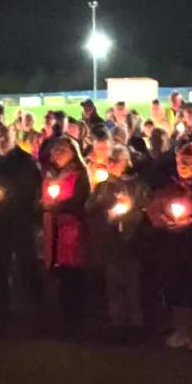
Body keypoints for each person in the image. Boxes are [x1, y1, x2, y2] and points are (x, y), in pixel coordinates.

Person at [148, 143, 192, 353]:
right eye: (179, 162)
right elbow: (155, 206)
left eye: (187, 162)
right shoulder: (169, 185)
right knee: (177, 287)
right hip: (175, 245)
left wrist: (190, 222)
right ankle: (181, 330)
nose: (183, 166)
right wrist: (163, 220)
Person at [85, 144, 148, 339]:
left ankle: (135, 324)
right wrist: (103, 208)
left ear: (126, 161)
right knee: (113, 283)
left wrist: (128, 214)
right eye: (109, 160)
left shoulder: (138, 185)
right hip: (110, 241)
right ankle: (117, 323)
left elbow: (146, 210)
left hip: (131, 240)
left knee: (132, 283)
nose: (111, 164)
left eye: (116, 160)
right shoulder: (103, 186)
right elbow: (88, 207)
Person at [0, 125, 42, 319]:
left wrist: (7, 198)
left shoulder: (26, 161)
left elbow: (32, 189)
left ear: (14, 138)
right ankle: (2, 306)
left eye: (6, 137)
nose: (2, 140)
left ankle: (32, 306)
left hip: (20, 220)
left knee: (25, 262)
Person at [41, 138, 90, 334]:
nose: (58, 153)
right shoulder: (50, 174)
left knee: (72, 276)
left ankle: (76, 320)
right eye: (56, 150)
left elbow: (80, 201)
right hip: (52, 229)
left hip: (71, 231)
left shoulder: (79, 175)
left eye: (63, 150)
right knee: (56, 275)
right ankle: (58, 319)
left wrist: (59, 206)